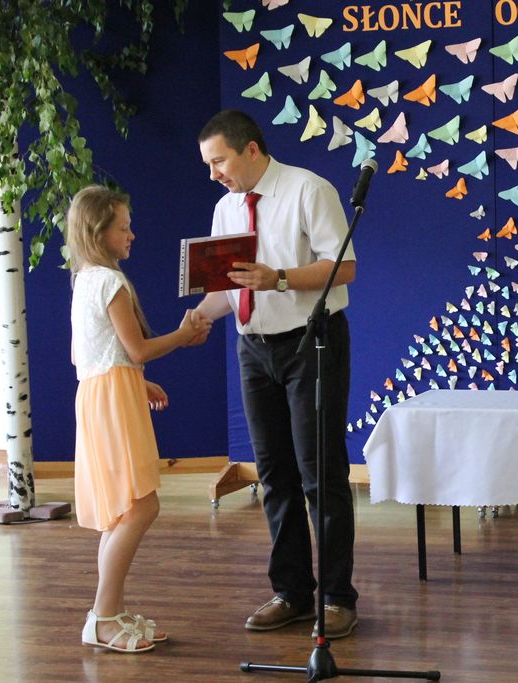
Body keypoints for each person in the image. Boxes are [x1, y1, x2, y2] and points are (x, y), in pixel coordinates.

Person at [194, 110, 359, 639]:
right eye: (208, 164)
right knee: (274, 476)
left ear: (252, 149)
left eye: (219, 161)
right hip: (253, 349)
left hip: (312, 342)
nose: (214, 174)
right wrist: (198, 318)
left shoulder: (309, 189)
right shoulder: (225, 209)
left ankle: (337, 598)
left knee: (320, 474)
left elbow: (344, 266)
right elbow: (229, 289)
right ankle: (292, 592)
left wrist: (279, 278)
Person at [68, 185, 212, 653]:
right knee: (140, 506)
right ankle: (102, 615)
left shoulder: (85, 279)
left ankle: (109, 611)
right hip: (111, 399)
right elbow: (137, 350)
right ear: (99, 232)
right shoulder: (110, 282)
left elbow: (88, 354)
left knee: (122, 510)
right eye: (123, 228)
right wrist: (184, 333)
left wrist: (136, 382)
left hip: (100, 394)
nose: (132, 235)